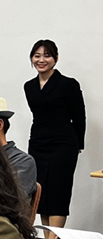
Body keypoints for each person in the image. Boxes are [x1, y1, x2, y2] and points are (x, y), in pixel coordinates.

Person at [24, 39, 85, 227]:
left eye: (47, 55)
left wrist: (78, 145)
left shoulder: (68, 84)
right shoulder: (29, 86)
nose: (41, 60)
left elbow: (79, 116)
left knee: (58, 193)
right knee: (42, 196)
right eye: (37, 56)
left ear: (56, 58)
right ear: (32, 58)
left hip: (63, 144)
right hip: (38, 144)